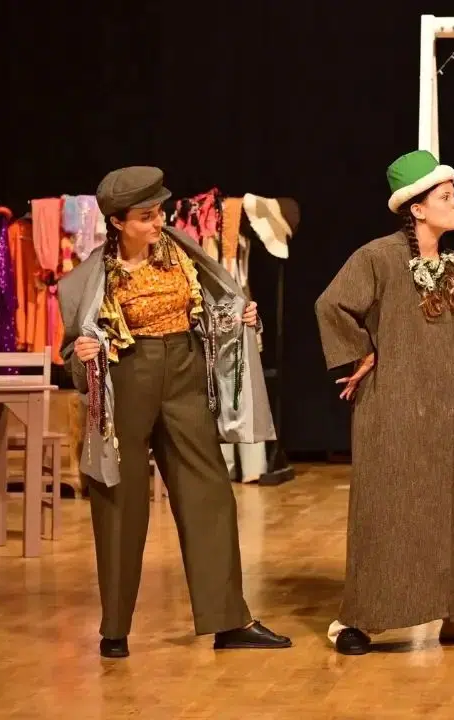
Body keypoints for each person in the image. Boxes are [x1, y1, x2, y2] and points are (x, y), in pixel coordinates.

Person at [57, 166, 290, 658]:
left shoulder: (183, 253)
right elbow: (72, 351)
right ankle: (114, 628)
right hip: (128, 375)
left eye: (159, 211)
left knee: (209, 492)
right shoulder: (89, 279)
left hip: (184, 373)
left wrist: (239, 316)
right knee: (119, 499)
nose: (158, 221)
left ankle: (229, 620)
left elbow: (214, 308)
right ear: (117, 222)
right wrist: (82, 354)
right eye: (145, 216)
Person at [315, 150, 454, 655]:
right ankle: (362, 618)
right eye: (446, 196)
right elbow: (332, 305)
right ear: (418, 209)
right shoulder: (378, 259)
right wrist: (361, 353)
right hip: (396, 411)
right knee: (391, 510)